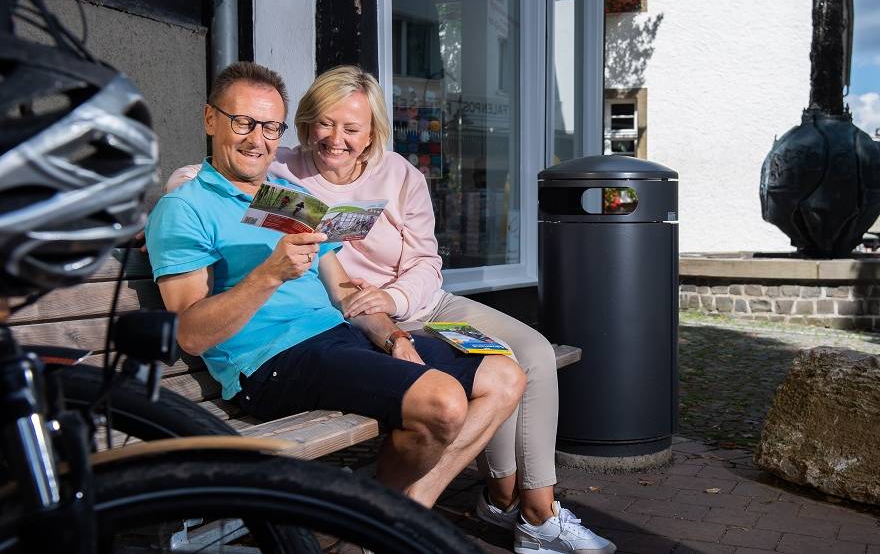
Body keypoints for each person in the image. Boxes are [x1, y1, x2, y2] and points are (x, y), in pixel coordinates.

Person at [169, 64, 616, 554]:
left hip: (412, 306)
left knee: (516, 366)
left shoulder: (372, 179)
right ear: (211, 119)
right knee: (445, 399)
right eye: (324, 123)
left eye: (351, 128)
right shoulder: (267, 177)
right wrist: (260, 261)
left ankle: (411, 520)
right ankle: (455, 516)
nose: (335, 138)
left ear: (371, 133)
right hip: (290, 350)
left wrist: (394, 327)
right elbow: (191, 322)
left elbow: (391, 275)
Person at [148, 62, 525, 509]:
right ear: (211, 119)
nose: (257, 139)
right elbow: (189, 334)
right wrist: (269, 275)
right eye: (243, 122)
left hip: (338, 339)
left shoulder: (285, 197)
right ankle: (392, 523)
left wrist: (394, 337)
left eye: (271, 127)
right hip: (272, 362)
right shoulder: (184, 208)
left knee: (504, 375)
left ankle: (398, 513)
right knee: (443, 402)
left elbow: (344, 290)